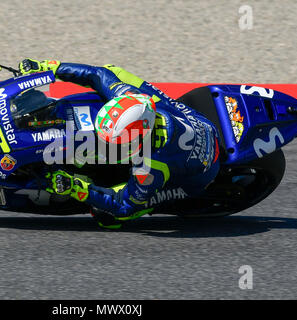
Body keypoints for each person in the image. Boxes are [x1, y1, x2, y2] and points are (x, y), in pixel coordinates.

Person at [19, 58, 221, 229]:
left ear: (139, 139)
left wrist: (74, 187)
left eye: (118, 143)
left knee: (110, 217)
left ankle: (156, 204)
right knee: (111, 71)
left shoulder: (151, 168)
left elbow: (124, 204)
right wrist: (50, 68)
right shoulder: (131, 98)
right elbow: (96, 74)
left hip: (201, 174)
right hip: (193, 120)